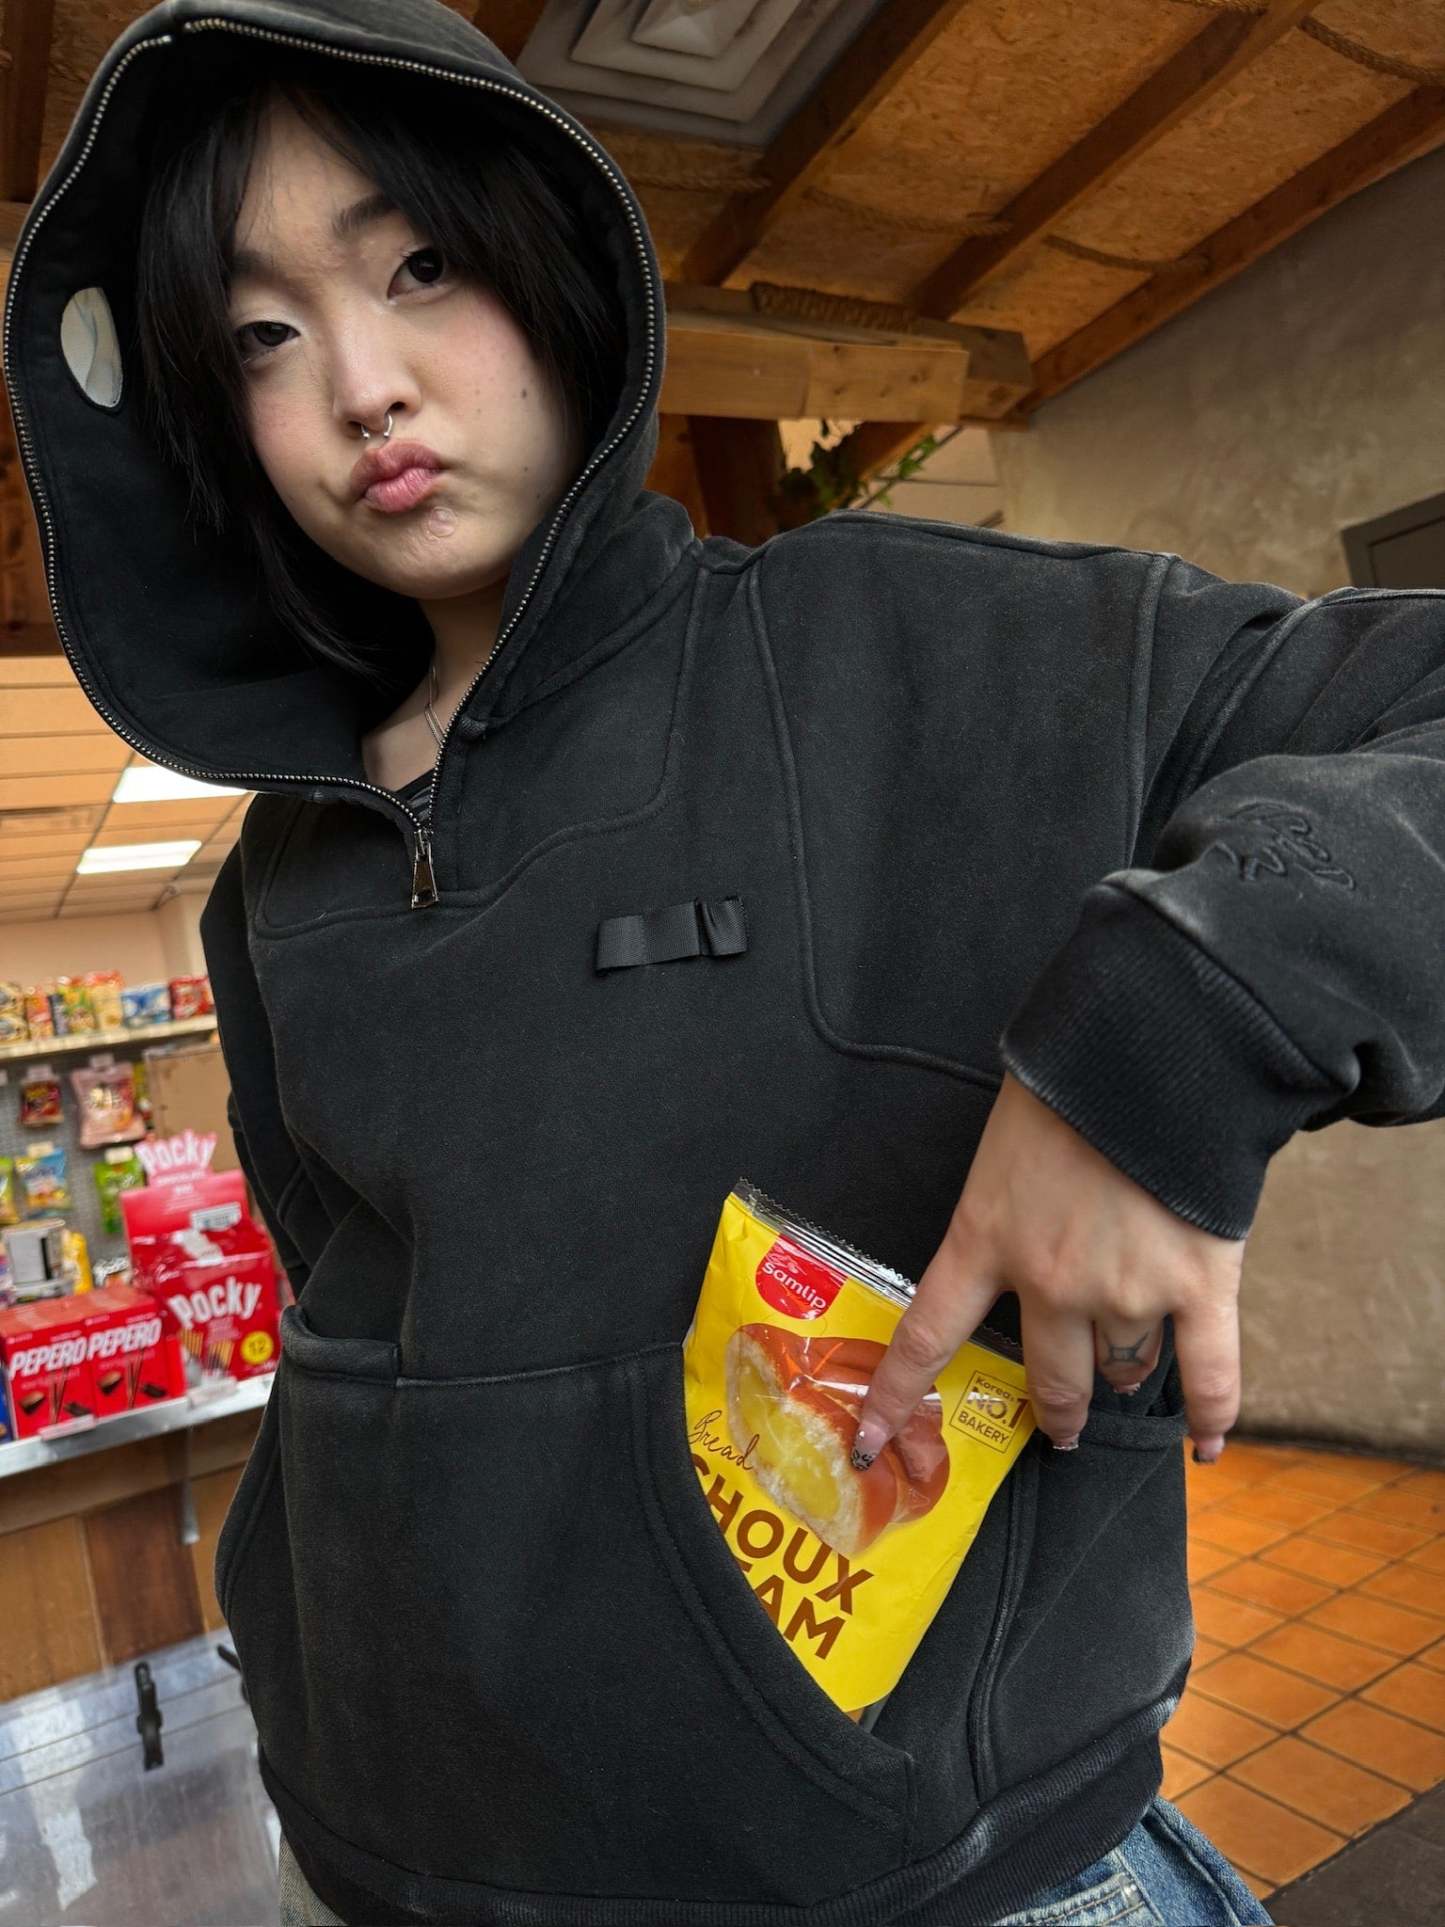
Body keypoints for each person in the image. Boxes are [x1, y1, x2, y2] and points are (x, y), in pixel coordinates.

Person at [6, 3, 1442, 1923]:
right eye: (262, 335)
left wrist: (1163, 1051)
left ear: (548, 261)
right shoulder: (275, 879)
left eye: (416, 268)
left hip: (933, 1887)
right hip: (380, 1876)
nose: (362, 386)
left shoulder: (908, 644)